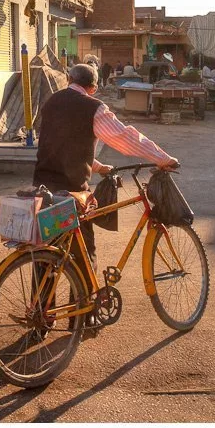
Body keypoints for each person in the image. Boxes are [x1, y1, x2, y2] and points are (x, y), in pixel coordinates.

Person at [33, 64, 178, 275]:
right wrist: (162, 158)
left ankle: (39, 306)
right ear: (93, 87)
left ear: (69, 79)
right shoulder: (93, 107)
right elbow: (125, 137)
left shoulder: (51, 102)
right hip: (71, 195)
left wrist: (98, 167)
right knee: (83, 256)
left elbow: (62, 145)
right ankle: (87, 305)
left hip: (42, 191)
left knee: (45, 256)